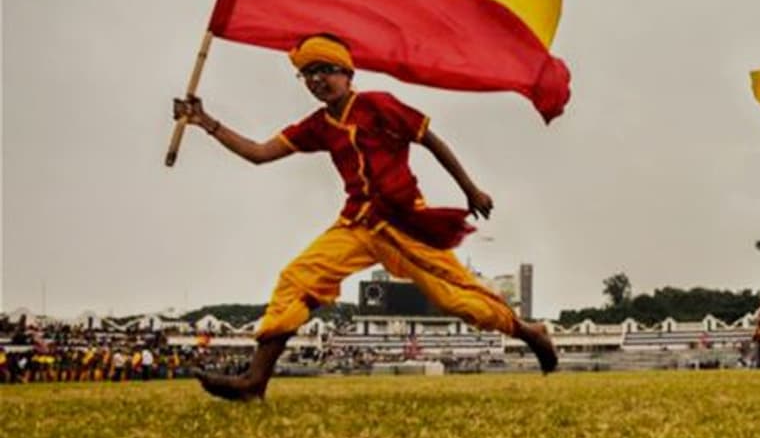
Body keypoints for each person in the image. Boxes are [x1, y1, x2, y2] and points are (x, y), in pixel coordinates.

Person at [173, 33, 557, 401]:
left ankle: (528, 330)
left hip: (405, 223)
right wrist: (206, 122)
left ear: (347, 73)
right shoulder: (318, 126)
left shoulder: (378, 105)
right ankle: (254, 382)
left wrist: (470, 189)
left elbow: (430, 139)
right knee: (296, 279)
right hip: (356, 224)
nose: (317, 79)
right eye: (308, 73)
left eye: (325, 69)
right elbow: (259, 152)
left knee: (457, 300)